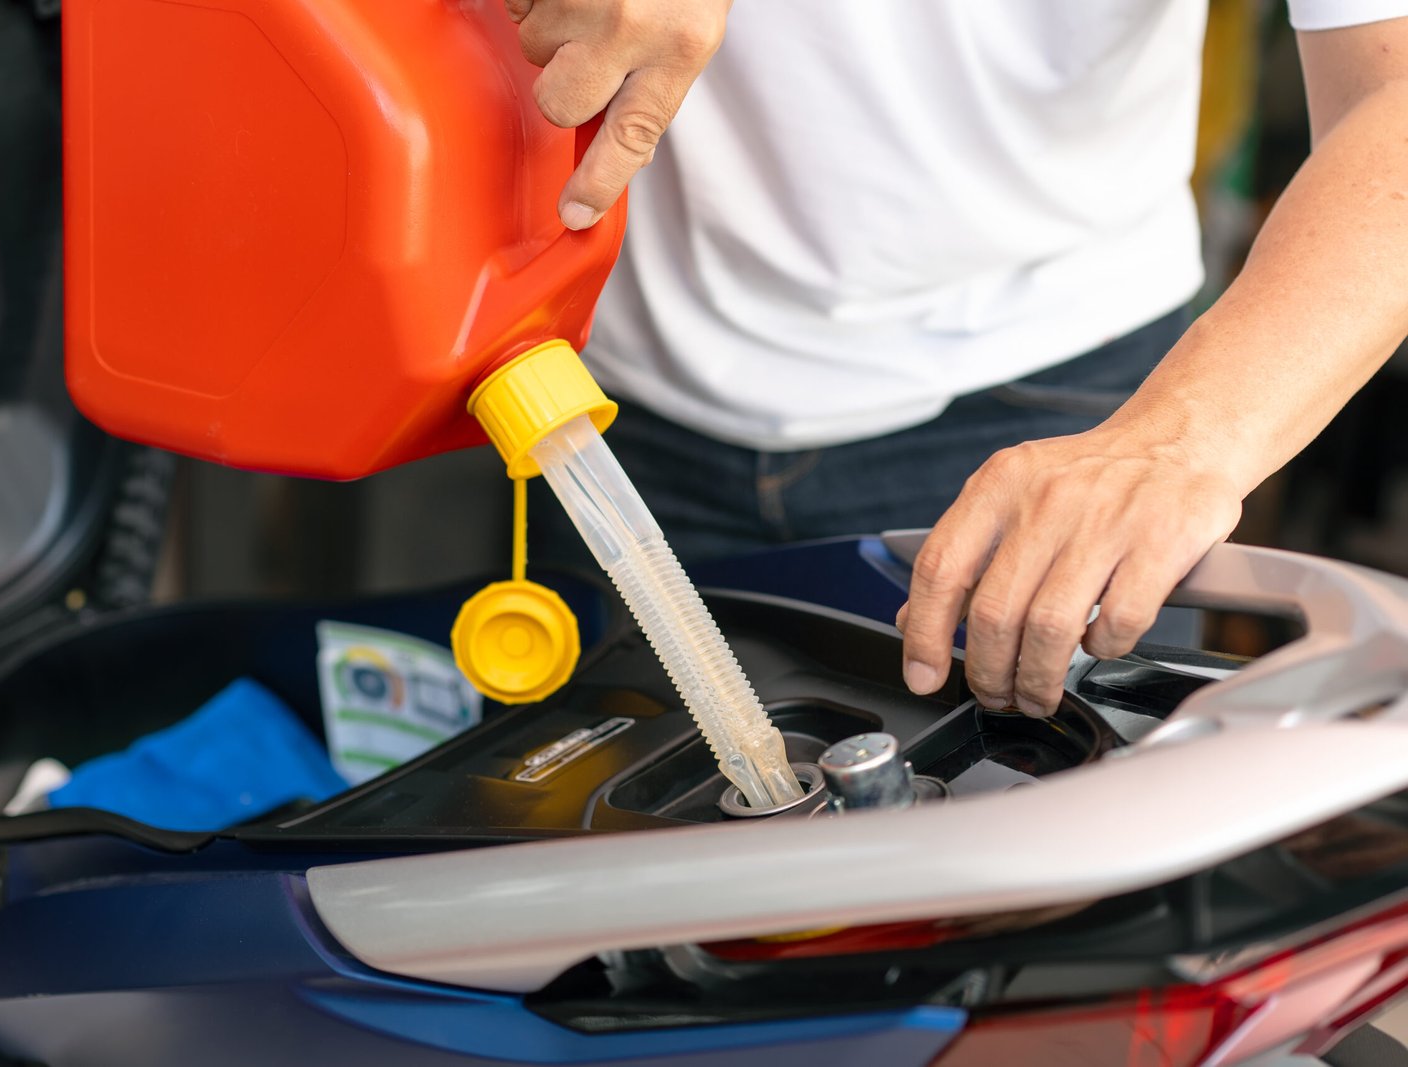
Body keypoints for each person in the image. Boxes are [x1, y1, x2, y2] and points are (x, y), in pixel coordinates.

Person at [510, 0, 1408, 718]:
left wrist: (1181, 440)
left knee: (1043, 915)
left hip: (1056, 424)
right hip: (602, 408)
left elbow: (1391, 90)